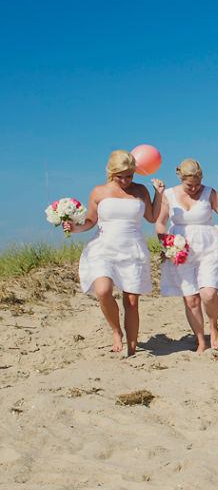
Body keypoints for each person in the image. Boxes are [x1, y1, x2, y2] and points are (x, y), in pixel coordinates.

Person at [63, 150, 165, 356]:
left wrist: (159, 194)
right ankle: (116, 330)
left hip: (132, 248)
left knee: (132, 302)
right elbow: (90, 221)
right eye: (120, 176)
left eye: (129, 175)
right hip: (104, 247)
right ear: (111, 172)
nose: (125, 180)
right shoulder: (99, 191)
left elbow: (153, 217)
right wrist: (74, 228)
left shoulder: (140, 190)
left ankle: (133, 348)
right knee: (103, 291)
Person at [156, 159, 218, 353]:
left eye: (197, 184)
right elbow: (160, 222)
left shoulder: (209, 192)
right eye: (189, 185)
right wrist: (165, 242)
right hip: (180, 249)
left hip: (208, 247)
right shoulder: (168, 195)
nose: (194, 189)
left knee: (208, 294)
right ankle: (201, 340)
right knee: (191, 299)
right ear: (180, 179)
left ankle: (213, 325)